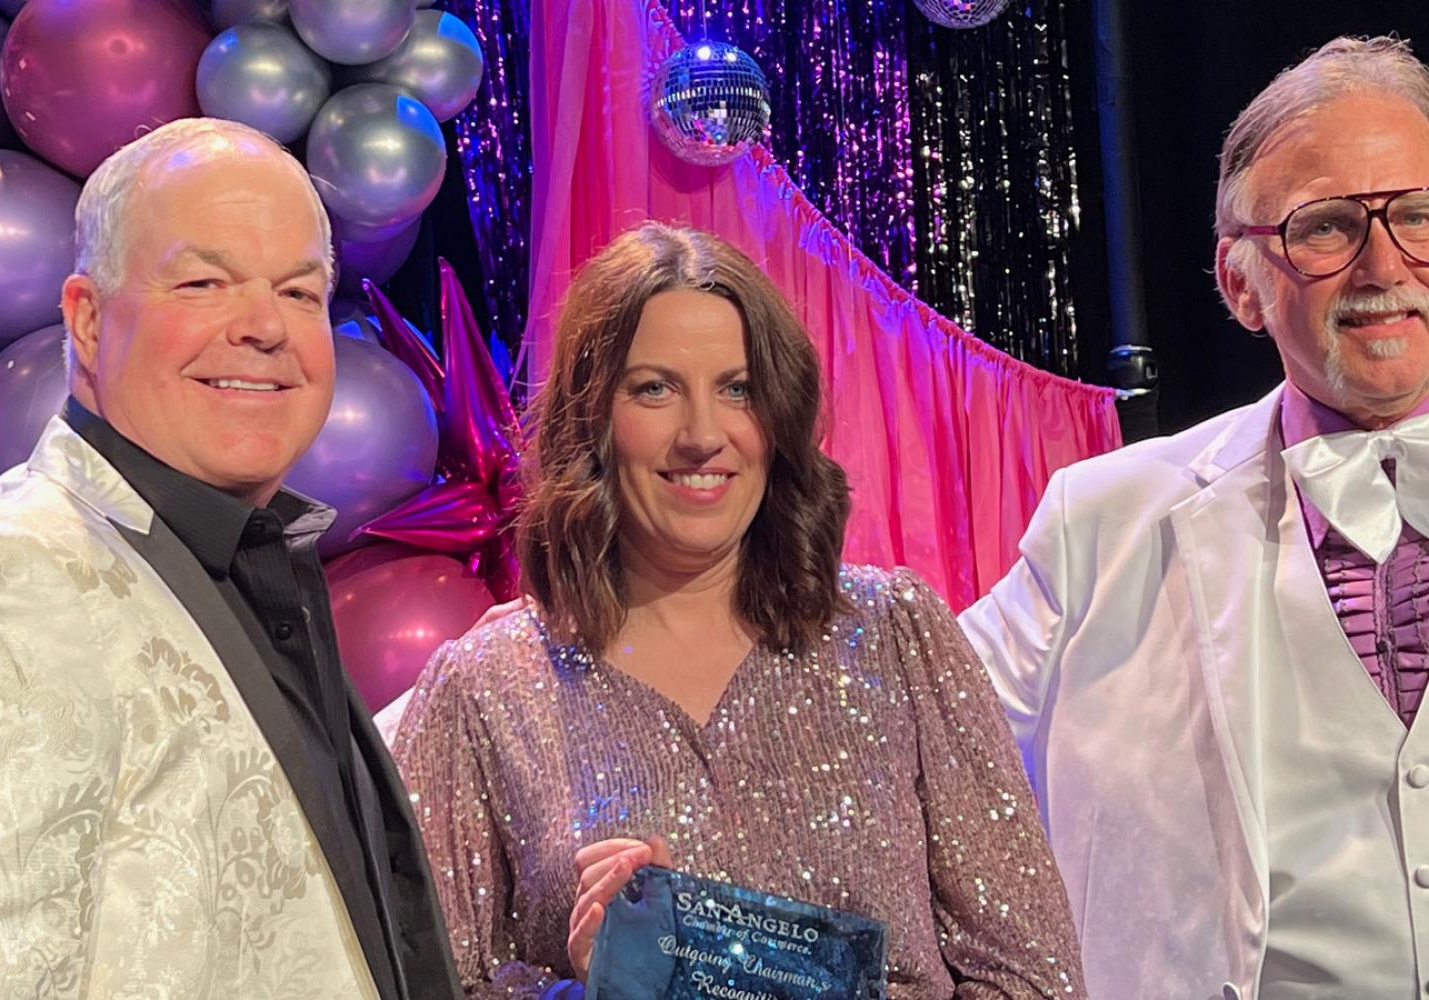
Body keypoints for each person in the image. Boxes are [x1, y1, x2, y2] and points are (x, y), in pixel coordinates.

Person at [0, 119, 460, 999]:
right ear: (87, 321)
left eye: (299, 292)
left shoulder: (237, 565)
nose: (265, 328)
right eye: (203, 283)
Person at [391, 222, 1086, 1000]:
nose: (702, 436)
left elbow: (1036, 981)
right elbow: (421, 984)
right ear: (593, 420)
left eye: (738, 389)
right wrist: (587, 993)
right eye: (654, 388)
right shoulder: (485, 691)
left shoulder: (895, 636)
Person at [959, 36, 1429, 1000]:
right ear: (1239, 285)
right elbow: (898, 748)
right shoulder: (1101, 524)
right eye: (1328, 227)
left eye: (1421, 216)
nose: (1386, 264)